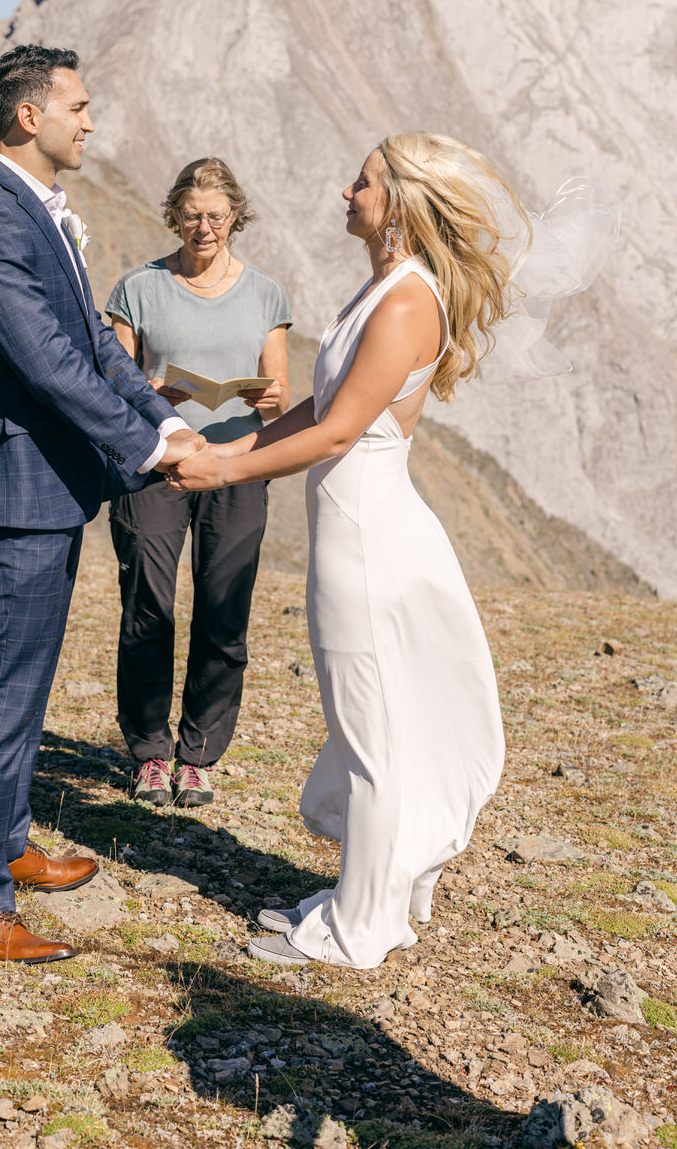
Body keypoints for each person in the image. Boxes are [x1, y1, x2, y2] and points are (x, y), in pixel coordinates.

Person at [169, 132, 520, 968]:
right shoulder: (387, 287)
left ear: (396, 202)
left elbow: (335, 429)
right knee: (364, 719)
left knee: (368, 728)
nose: (343, 193)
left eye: (359, 183)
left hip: (365, 535)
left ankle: (361, 929)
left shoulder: (405, 300)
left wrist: (226, 471)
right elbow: (321, 407)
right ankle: (371, 891)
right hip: (354, 523)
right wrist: (223, 454)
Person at [0, 44, 204, 966]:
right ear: (28, 116)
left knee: (24, 685)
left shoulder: (37, 210)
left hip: (49, 484)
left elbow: (101, 354)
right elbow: (46, 362)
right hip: (11, 485)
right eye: (78, 105)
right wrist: (147, 447)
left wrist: (163, 423)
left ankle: (5, 842)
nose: (91, 120)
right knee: (1, 692)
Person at [105, 158, 291, 808]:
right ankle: (150, 754)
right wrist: (153, 393)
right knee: (148, 607)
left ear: (235, 216)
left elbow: (280, 392)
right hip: (155, 463)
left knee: (223, 612)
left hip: (238, 464)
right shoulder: (137, 289)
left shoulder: (267, 294)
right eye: (191, 215)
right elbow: (109, 386)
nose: (203, 227)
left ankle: (199, 755)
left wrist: (266, 398)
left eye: (215, 215)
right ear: (173, 215)